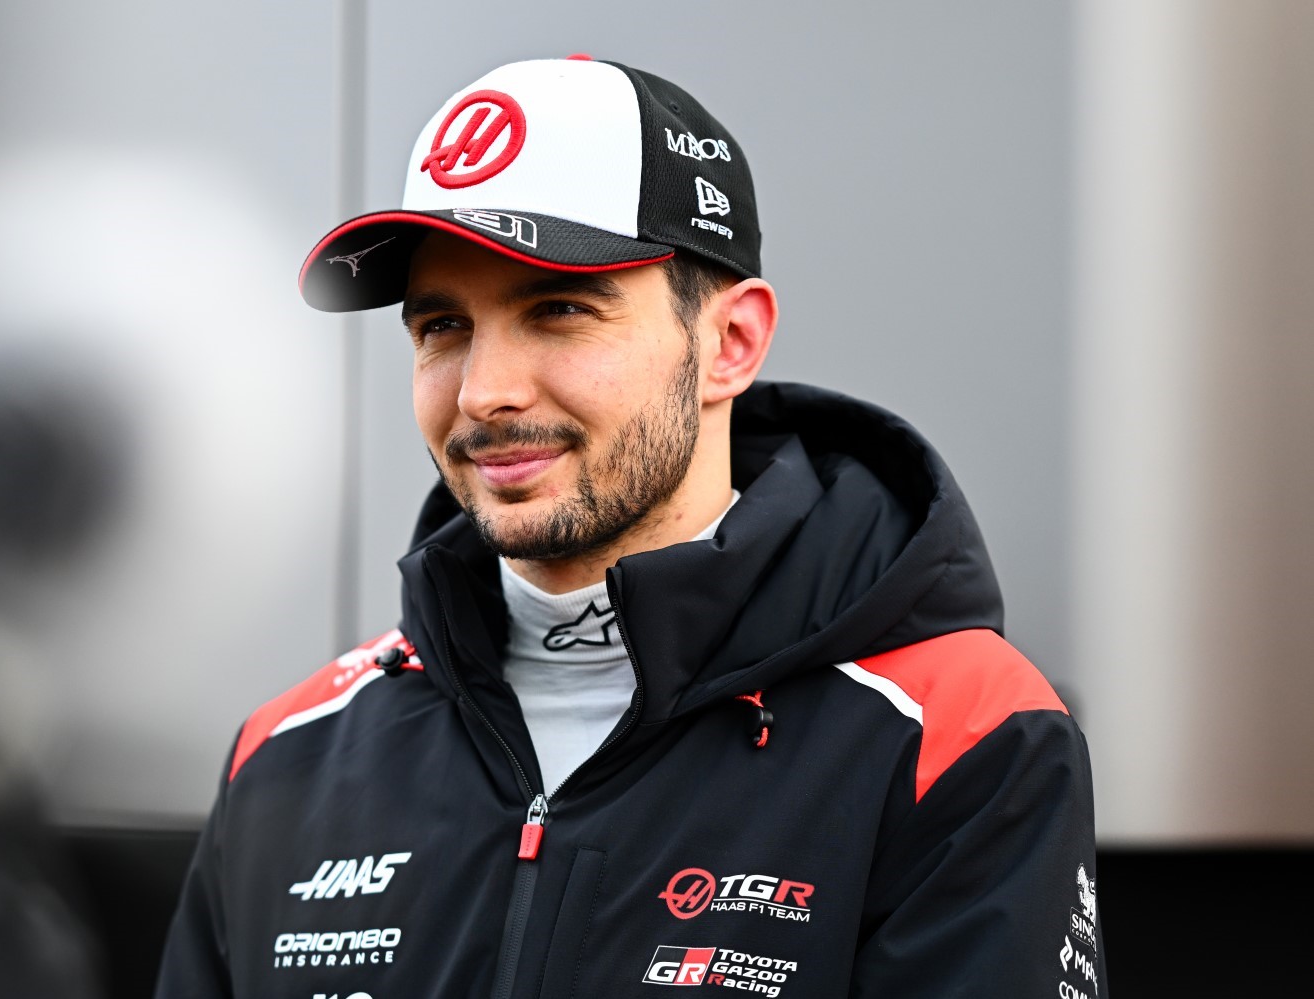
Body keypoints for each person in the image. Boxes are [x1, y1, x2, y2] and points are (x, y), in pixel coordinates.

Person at [155, 55, 1107, 999]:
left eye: (560, 309)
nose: (486, 392)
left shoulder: (962, 733)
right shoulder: (289, 752)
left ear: (729, 343)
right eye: (442, 326)